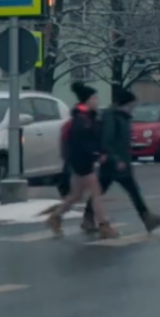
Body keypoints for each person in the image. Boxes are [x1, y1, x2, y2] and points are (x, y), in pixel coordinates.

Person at [80, 86, 160, 233]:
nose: (134, 108)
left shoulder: (122, 117)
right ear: (125, 104)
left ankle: (88, 219)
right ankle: (147, 219)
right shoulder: (112, 117)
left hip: (120, 162)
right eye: (132, 105)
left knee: (105, 190)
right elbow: (107, 141)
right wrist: (116, 160)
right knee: (128, 191)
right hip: (114, 163)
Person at [46, 82, 117, 239]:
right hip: (82, 162)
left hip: (79, 162)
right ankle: (104, 226)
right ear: (87, 100)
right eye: (94, 98)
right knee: (96, 192)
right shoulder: (82, 119)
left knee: (75, 196)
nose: (97, 101)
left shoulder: (87, 117)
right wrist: (96, 154)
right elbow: (83, 143)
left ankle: (55, 217)